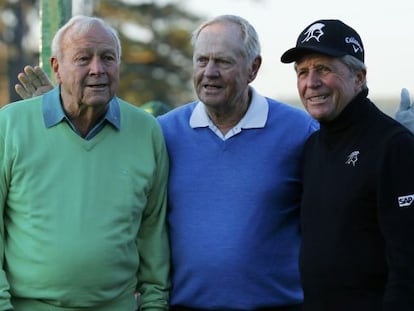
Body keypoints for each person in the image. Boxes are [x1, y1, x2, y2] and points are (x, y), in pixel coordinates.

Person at [14, 15, 318, 310]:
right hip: (183, 305)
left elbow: (329, 222)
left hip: (275, 306)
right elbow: (90, 166)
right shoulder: (163, 131)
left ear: (253, 68)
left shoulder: (299, 131)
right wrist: (59, 108)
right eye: (202, 60)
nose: (209, 72)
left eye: (223, 62)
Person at [1, 15, 170, 311]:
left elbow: (152, 232)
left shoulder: (146, 131)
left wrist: (154, 306)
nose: (98, 69)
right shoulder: (9, 125)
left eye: (108, 58)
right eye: (83, 59)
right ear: (56, 68)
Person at [280, 19, 414, 310]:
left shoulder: (394, 145)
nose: (311, 83)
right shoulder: (312, 148)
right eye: (302, 72)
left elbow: (408, 266)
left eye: (323, 69)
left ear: (359, 77)